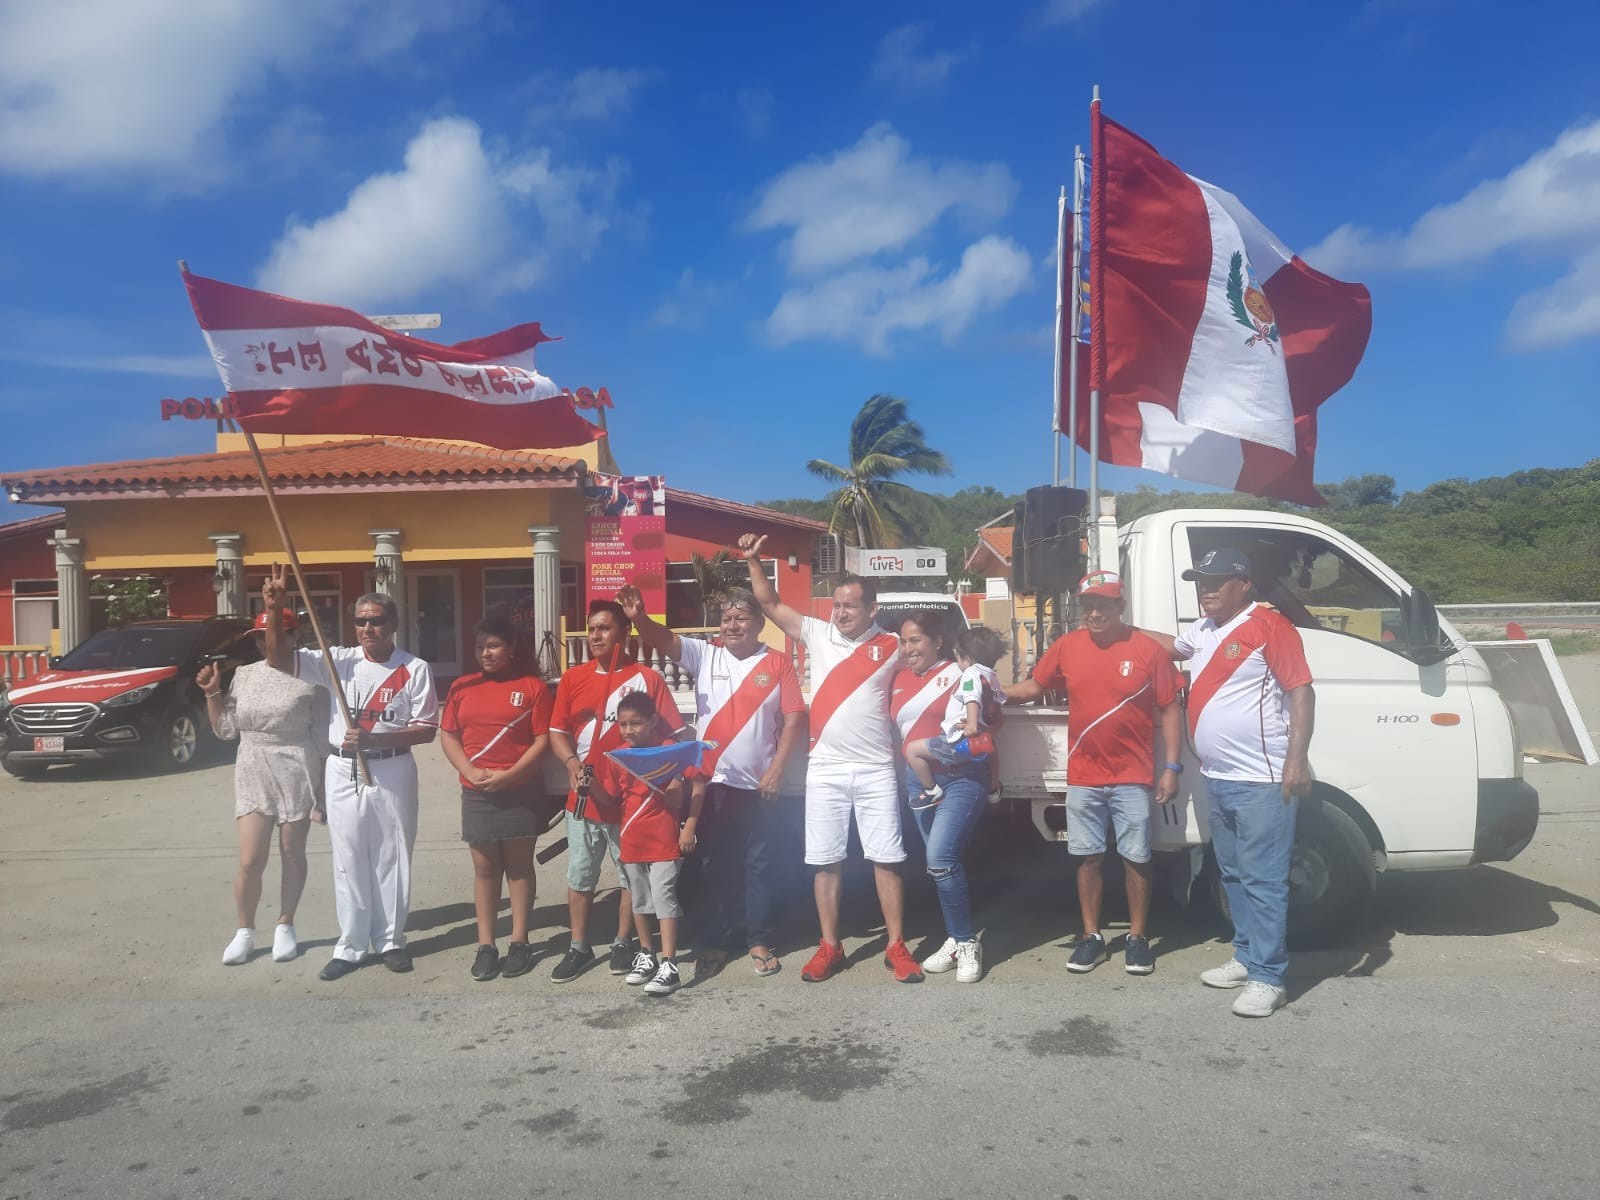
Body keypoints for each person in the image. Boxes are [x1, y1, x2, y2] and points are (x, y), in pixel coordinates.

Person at [738, 534, 923, 984]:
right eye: (837, 605)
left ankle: (896, 946)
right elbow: (769, 602)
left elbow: (928, 671)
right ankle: (830, 946)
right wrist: (754, 560)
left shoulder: (893, 646)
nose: (840, 613)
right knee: (825, 861)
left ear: (871, 609)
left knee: (886, 859)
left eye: (850, 607)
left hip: (877, 767)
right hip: (827, 768)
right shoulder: (817, 633)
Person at [1142, 548, 1315, 1018]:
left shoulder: (1270, 627)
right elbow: (1168, 646)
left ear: (1245, 584)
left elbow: (1301, 690)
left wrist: (1296, 760)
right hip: (1218, 777)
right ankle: (1245, 955)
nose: (1207, 589)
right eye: (1201, 581)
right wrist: (1119, 628)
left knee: (1264, 879)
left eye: (1218, 581)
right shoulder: (1203, 630)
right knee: (1234, 874)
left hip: (1262, 778)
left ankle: (1268, 976)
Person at [618, 583, 806, 978]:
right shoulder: (705, 655)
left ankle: (758, 938)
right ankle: (717, 942)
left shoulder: (778, 664)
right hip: (710, 785)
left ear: (759, 623)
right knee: (713, 866)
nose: (732, 625)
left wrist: (776, 771)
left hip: (758, 785)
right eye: (726, 618)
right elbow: (664, 639)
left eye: (741, 617)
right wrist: (639, 619)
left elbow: (793, 720)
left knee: (758, 866)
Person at [261, 568, 439, 982]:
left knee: (392, 855)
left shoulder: (414, 669)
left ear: (393, 624)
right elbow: (277, 659)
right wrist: (274, 610)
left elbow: (427, 729)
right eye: (361, 621)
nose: (368, 628)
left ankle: (392, 939)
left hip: (392, 766)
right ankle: (353, 944)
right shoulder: (337, 659)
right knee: (348, 857)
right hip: (342, 768)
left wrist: (376, 739)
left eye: (376, 620)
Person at [1005, 571, 1183, 977]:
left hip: (1133, 776)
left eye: (1104, 604)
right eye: (1088, 605)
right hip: (1083, 775)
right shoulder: (1067, 647)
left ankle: (1137, 939)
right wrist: (994, 694)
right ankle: (1092, 937)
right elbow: (1035, 685)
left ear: (1121, 607)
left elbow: (1170, 708)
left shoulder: (1147, 651)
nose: (1095, 613)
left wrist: (1171, 768)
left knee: (1136, 859)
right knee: (1088, 859)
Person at [546, 599, 685, 983]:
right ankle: (577, 945)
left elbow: (674, 735)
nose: (595, 636)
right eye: (591, 629)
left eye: (605, 628)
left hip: (632, 802)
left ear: (624, 633)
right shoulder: (574, 678)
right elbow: (557, 732)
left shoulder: (648, 679)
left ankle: (627, 941)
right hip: (586, 797)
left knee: (631, 875)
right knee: (580, 873)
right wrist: (572, 764)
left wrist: (673, 780)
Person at [201, 606, 331, 966]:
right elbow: (225, 730)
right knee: (250, 858)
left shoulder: (312, 674)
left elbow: (321, 735)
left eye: (271, 633)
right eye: (258, 636)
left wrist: (321, 793)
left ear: (294, 636)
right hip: (252, 763)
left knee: (291, 851)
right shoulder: (244, 674)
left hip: (296, 762)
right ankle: (244, 930)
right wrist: (212, 694)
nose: (263, 642)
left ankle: (285, 923)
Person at [439, 617, 553, 982]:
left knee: (519, 868)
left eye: (493, 646)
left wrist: (510, 775)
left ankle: (519, 942)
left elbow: (541, 740)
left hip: (520, 789)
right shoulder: (461, 687)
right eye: (479, 647)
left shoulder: (532, 687)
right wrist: (471, 773)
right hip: (477, 792)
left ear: (511, 649)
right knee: (485, 869)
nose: (485, 653)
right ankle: (486, 945)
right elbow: (449, 735)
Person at [890, 612, 988, 983]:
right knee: (941, 867)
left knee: (940, 858)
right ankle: (954, 935)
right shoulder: (897, 679)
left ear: (937, 642)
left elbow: (989, 720)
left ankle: (965, 942)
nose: (908, 649)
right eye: (903, 642)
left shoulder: (962, 674)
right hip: (918, 783)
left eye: (915, 640)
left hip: (960, 780)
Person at [590, 691, 701, 997]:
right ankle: (646, 954)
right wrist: (589, 786)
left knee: (664, 898)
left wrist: (684, 811)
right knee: (639, 900)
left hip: (663, 840)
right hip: (632, 840)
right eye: (623, 724)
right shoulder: (619, 757)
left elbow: (690, 783)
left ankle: (670, 964)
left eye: (636, 723)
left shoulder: (670, 751)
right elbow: (610, 798)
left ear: (652, 721)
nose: (628, 730)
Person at [903, 626, 1007, 810]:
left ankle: (930, 790)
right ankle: (993, 791)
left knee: (912, 751)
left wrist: (972, 723)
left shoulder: (970, 673)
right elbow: (1000, 699)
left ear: (966, 658)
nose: (957, 663)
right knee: (993, 753)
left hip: (953, 741)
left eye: (957, 657)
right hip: (978, 741)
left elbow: (971, 696)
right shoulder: (991, 676)